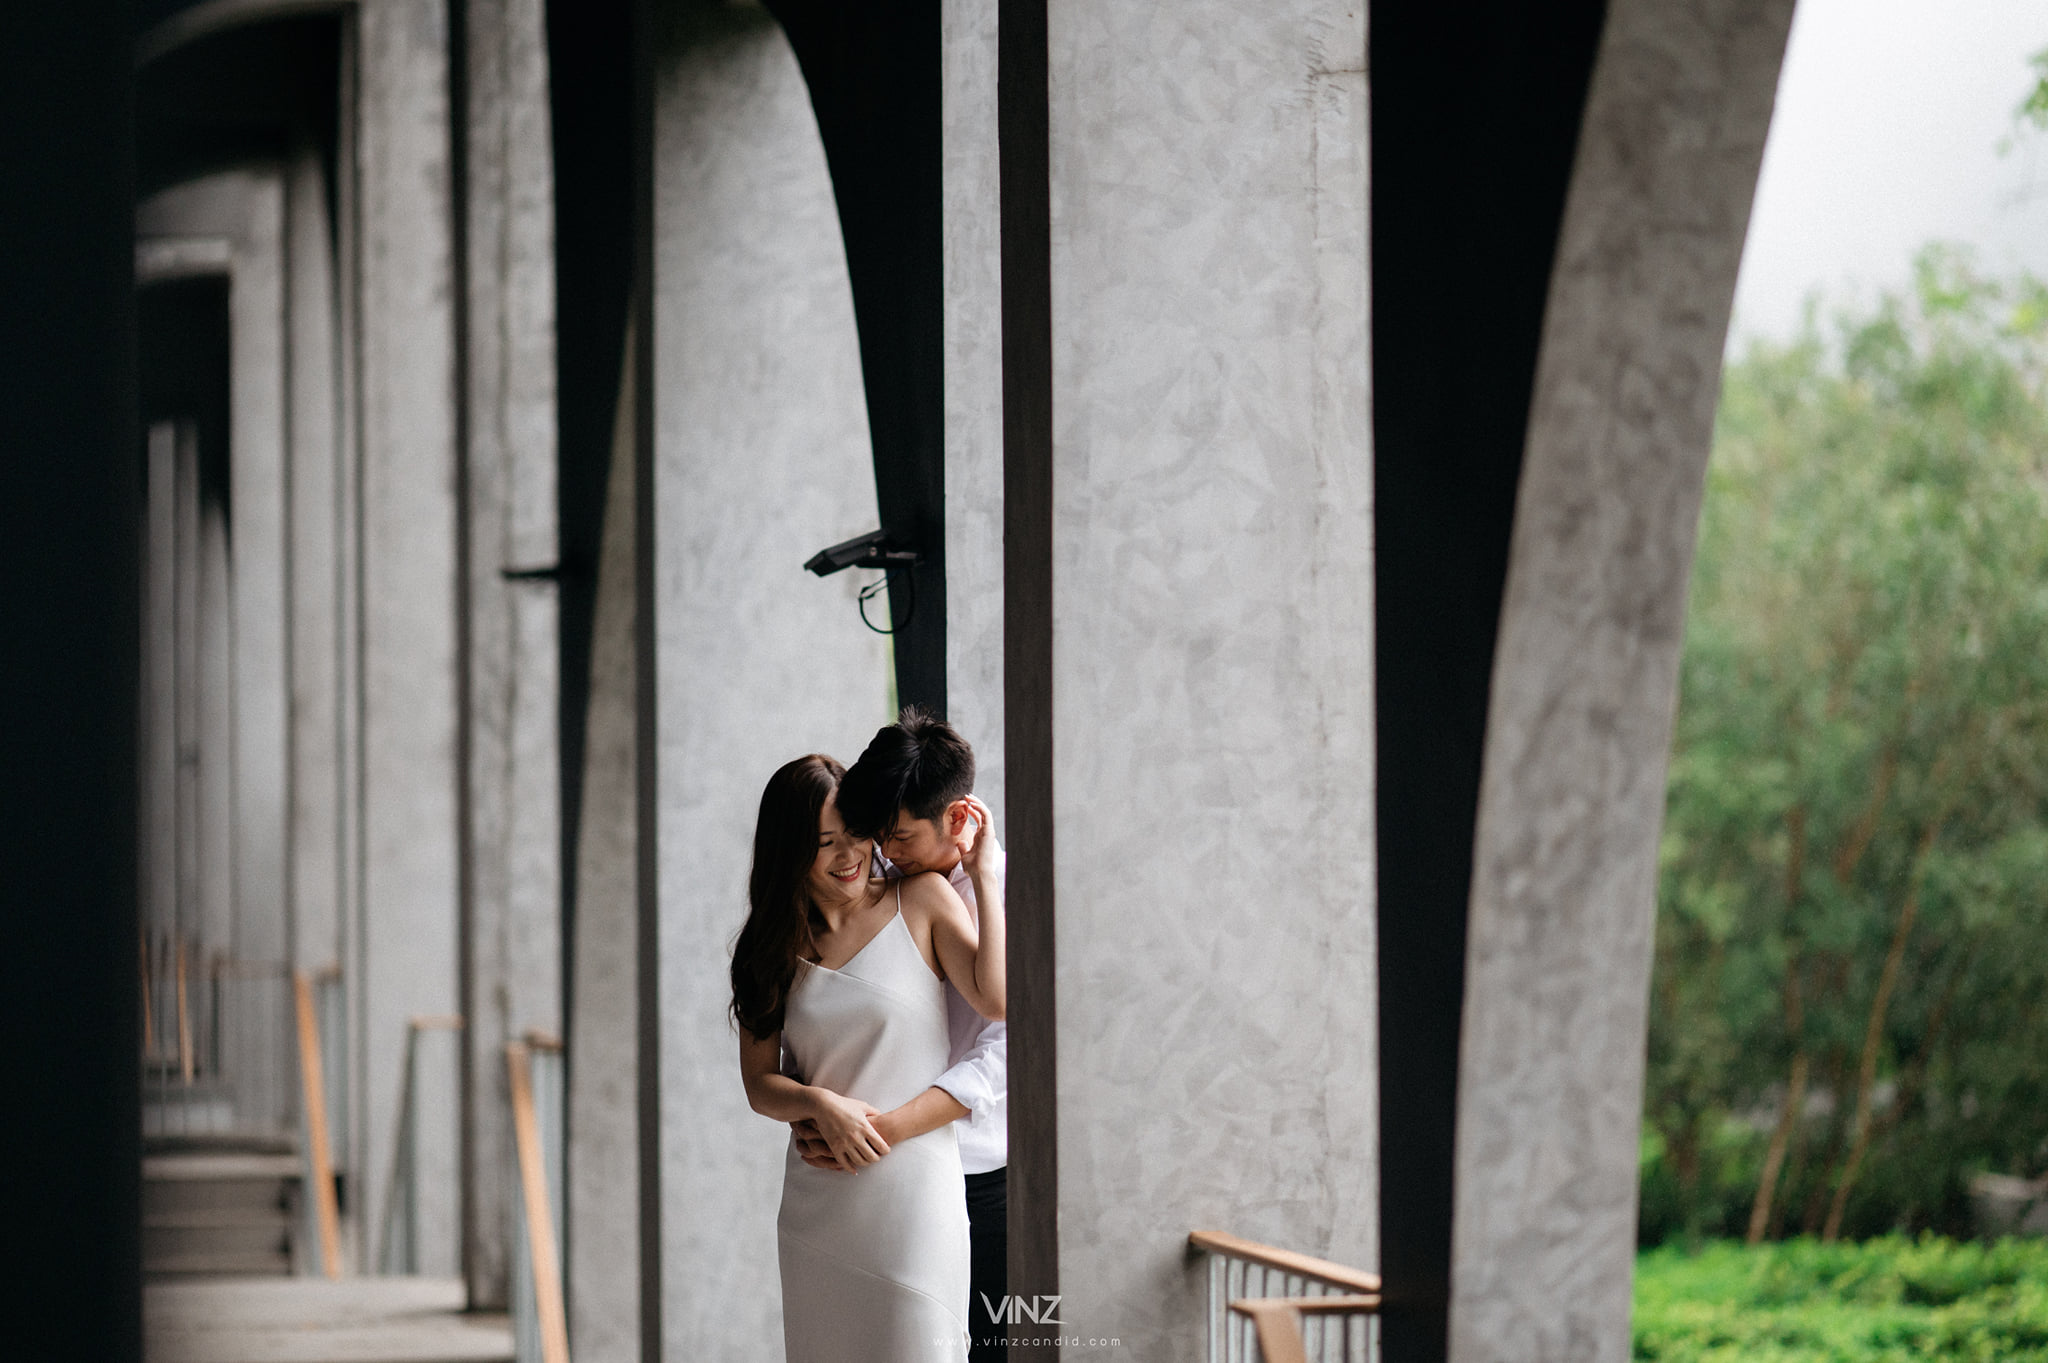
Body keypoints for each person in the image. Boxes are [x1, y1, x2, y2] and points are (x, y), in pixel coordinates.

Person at [733, 753, 1005, 1363]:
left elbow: (996, 1000)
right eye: (824, 843)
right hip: (820, 1202)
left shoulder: (924, 899)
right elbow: (760, 1084)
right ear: (789, 851)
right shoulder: (768, 948)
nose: (849, 854)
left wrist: (984, 876)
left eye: (856, 832)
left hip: (918, 1197)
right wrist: (818, 1104)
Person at [815, 710, 1010, 1363]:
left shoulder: (1008, 894)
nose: (885, 851)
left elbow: (1004, 1046)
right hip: (890, 1173)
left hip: (981, 1172)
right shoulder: (886, 886)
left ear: (957, 818)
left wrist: (890, 1128)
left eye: (899, 836)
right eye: (880, 836)